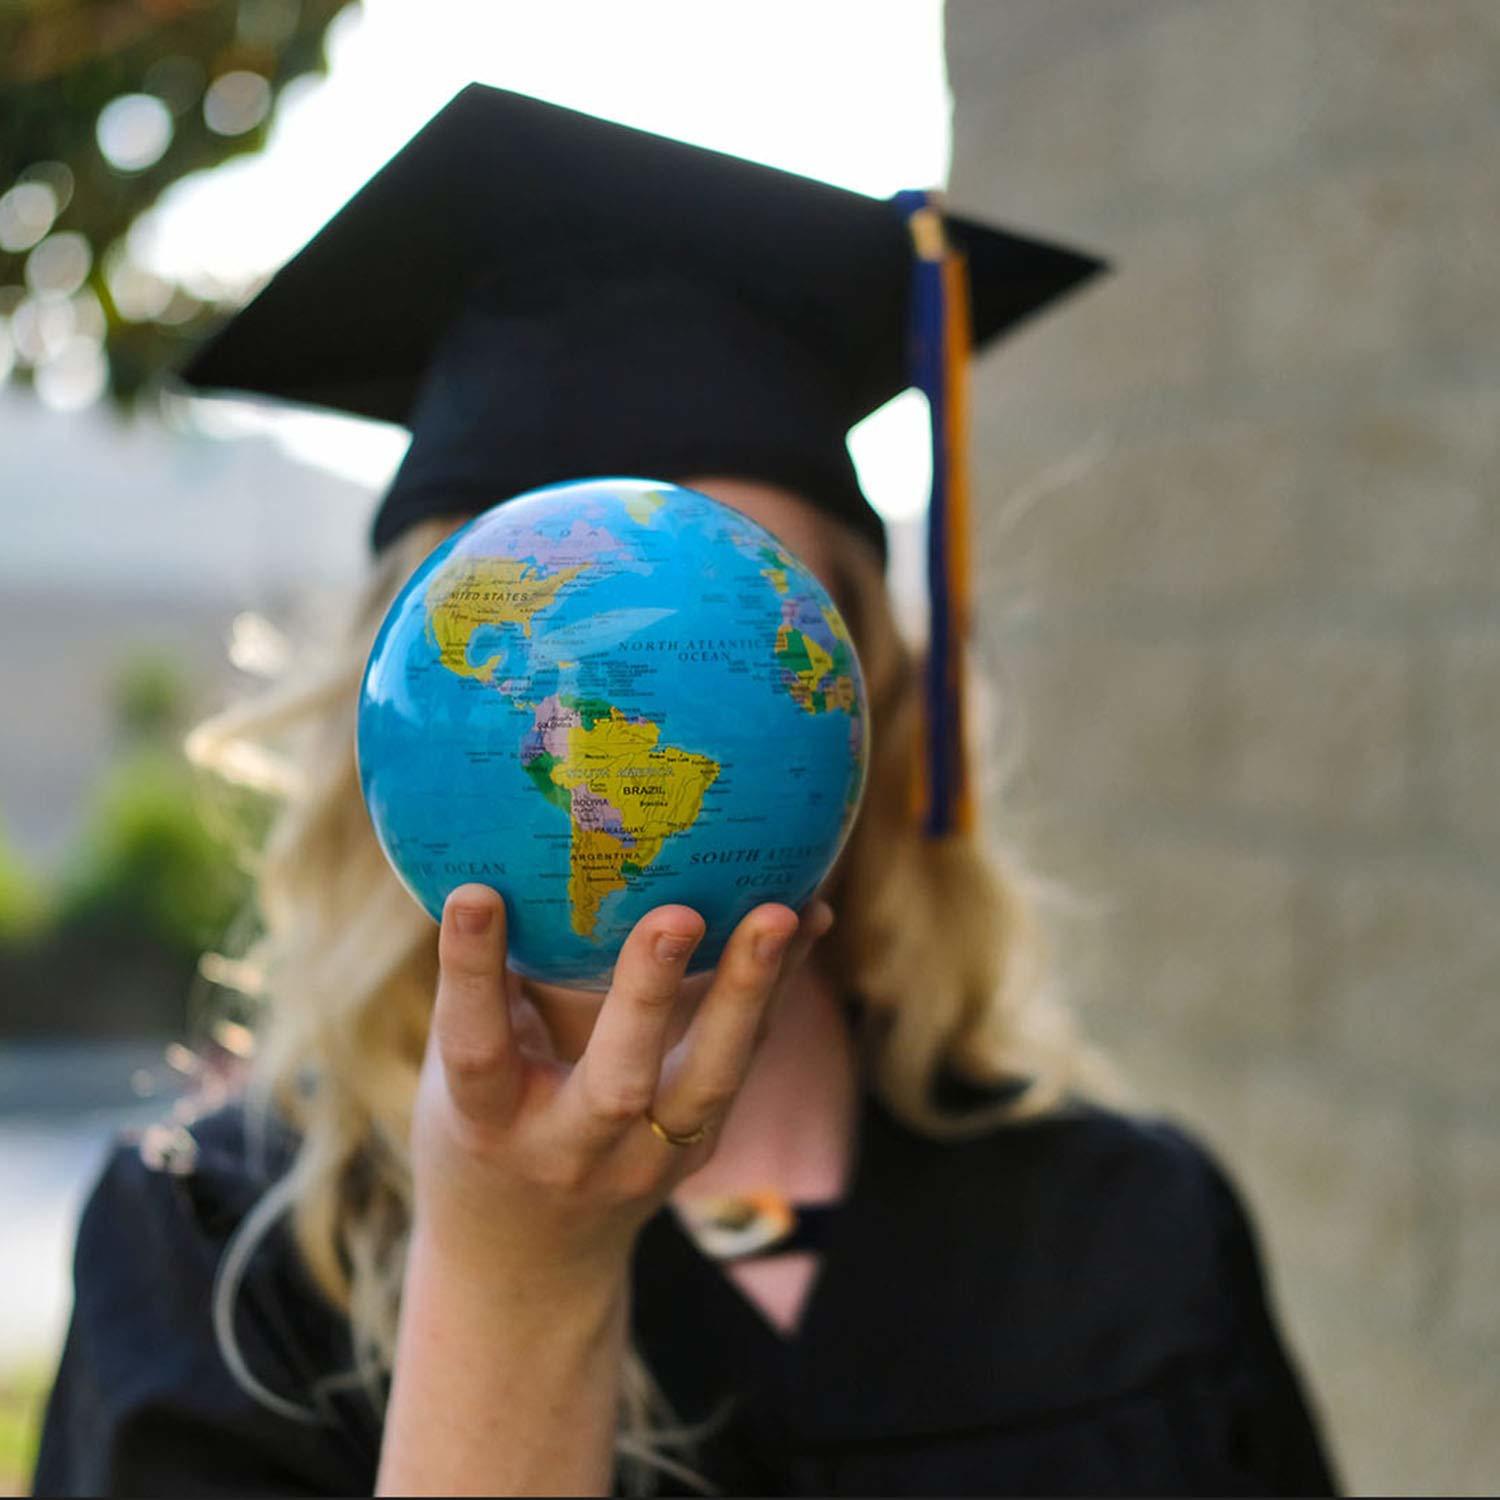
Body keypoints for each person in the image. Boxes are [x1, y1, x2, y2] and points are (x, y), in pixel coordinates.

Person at [32, 85, 1341, 1497]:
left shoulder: (1132, 1235)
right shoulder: (220, 1261)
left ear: (877, 712)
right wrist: (513, 1273)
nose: (628, 729)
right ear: (397, 726)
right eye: (547, 676)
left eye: (742, 658)